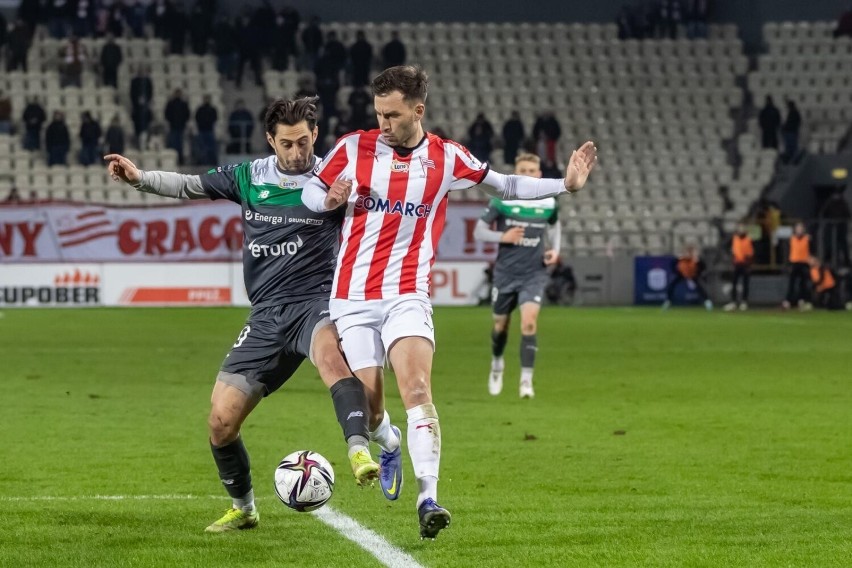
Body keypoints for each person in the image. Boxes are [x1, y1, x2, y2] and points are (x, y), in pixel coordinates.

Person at [301, 66, 597, 539]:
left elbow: (505, 184)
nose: (382, 124)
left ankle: (428, 498)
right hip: (352, 299)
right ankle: (389, 440)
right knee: (373, 408)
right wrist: (328, 199)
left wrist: (565, 184)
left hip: (408, 295)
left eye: (392, 115)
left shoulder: (445, 157)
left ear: (418, 111)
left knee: (417, 388)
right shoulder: (354, 147)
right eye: (377, 114)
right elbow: (313, 190)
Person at [104, 97, 379, 534]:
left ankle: (360, 452)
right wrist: (140, 179)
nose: (297, 153)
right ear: (271, 140)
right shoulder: (249, 177)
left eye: (304, 142)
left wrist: (348, 205)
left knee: (332, 361)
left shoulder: (338, 178)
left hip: (317, 303)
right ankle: (245, 509)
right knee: (220, 421)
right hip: (267, 315)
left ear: (314, 136)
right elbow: (188, 185)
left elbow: (381, 221)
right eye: (286, 144)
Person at [473, 152, 561, 398]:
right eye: (522, 171)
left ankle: (525, 381)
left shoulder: (549, 202)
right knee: (501, 326)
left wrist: (555, 250)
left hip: (534, 273)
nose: (528, 175)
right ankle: (497, 362)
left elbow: (555, 225)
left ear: (540, 175)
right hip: (505, 274)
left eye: (532, 171)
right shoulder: (502, 200)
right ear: (515, 173)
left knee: (529, 322)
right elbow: (479, 232)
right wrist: (503, 236)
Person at [662, 244, 713, 310]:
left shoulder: (696, 260)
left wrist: (698, 267)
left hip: (693, 274)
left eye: (690, 251)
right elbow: (673, 265)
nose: (689, 253)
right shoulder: (681, 259)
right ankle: (668, 302)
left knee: (701, 287)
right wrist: (677, 272)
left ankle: (707, 302)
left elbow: (703, 267)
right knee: (672, 285)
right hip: (682, 274)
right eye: (688, 251)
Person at [724, 223, 754, 311]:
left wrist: (749, 263)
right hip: (736, 264)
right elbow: (729, 248)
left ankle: (744, 302)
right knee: (734, 283)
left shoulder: (748, 239)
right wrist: (731, 256)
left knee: (745, 284)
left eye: (742, 228)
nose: (741, 230)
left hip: (745, 264)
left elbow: (751, 252)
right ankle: (733, 302)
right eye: (739, 228)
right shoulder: (734, 238)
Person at [783, 222, 812, 310]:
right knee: (791, 283)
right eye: (798, 228)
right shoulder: (791, 239)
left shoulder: (807, 239)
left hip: (804, 263)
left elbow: (811, 250)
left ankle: (802, 300)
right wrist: (788, 264)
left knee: (803, 283)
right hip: (794, 263)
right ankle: (788, 301)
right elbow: (787, 252)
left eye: (801, 228)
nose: (799, 230)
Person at [165, 89, 191, 164]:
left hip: (181, 127)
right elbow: (167, 114)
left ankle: (180, 160)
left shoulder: (183, 104)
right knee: (174, 144)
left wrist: (183, 122)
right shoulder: (171, 104)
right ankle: (174, 160)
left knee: (180, 145)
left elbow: (187, 114)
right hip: (173, 127)